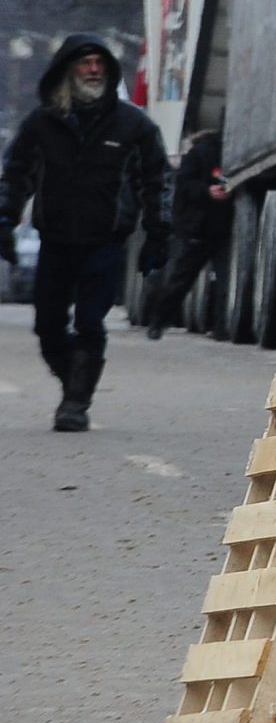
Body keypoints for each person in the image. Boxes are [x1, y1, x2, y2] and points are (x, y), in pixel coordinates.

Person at [0, 35, 171, 430]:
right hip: (56, 238)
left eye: (99, 63)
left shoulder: (133, 125)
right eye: (85, 63)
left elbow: (157, 178)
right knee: (47, 324)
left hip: (106, 240)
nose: (93, 70)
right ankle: (72, 376)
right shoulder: (42, 123)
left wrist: (159, 231)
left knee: (91, 323)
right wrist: (5, 220)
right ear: (67, 70)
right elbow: (16, 174)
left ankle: (76, 403)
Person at [146, 130, 233, 339]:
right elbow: (187, 185)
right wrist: (208, 191)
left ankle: (160, 323)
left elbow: (184, 185)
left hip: (208, 227)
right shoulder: (202, 154)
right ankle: (159, 322)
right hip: (204, 226)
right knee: (191, 278)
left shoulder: (202, 153)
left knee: (197, 278)